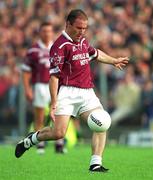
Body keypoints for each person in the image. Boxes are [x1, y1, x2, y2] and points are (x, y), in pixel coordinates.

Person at [15, 9, 129, 172]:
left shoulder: (82, 40)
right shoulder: (59, 46)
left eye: (84, 28)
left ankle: (95, 163)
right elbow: (54, 78)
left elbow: (95, 54)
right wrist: (54, 103)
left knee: (102, 121)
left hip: (87, 92)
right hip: (67, 93)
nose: (82, 31)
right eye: (78, 28)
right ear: (68, 24)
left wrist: (113, 61)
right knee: (58, 133)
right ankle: (30, 140)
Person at [21, 22, 65, 154]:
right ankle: (40, 144)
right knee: (39, 116)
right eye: (44, 31)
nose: (47, 33)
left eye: (49, 31)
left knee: (59, 113)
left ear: (52, 32)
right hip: (40, 85)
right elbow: (26, 71)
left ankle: (59, 143)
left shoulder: (58, 47)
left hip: (57, 85)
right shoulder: (33, 50)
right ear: (40, 32)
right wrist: (27, 88)